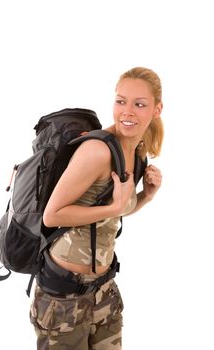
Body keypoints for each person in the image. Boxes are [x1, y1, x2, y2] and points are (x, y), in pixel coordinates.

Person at [30, 66, 164, 350]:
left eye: (139, 104)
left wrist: (145, 197)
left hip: (103, 290)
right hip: (63, 298)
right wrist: (115, 205)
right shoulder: (98, 150)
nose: (127, 111)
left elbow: (111, 211)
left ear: (156, 109)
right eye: (120, 101)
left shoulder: (137, 150)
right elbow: (52, 215)